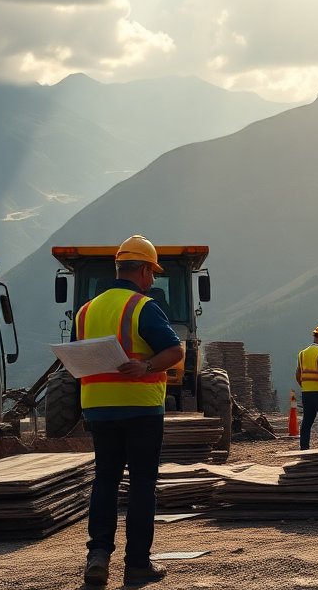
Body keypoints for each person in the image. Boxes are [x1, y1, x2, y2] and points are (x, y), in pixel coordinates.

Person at [78, 235, 185, 587]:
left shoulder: (85, 311)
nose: (152, 280)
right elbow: (174, 352)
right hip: (140, 408)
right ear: (140, 270)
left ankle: (97, 557)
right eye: (151, 273)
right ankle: (137, 564)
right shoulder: (142, 307)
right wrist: (148, 365)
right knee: (141, 484)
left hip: (98, 408)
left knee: (105, 480)